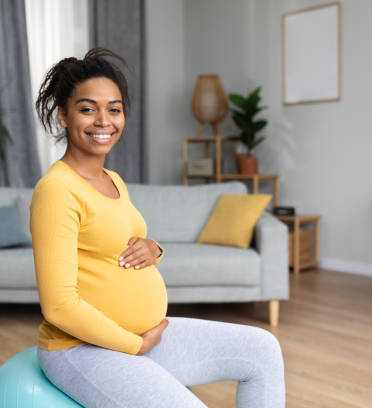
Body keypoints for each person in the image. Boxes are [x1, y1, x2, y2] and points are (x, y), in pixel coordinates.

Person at [30, 47, 285, 408]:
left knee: (263, 350)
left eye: (114, 109)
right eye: (88, 109)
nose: (103, 120)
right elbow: (58, 306)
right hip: (83, 350)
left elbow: (122, 240)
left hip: (143, 336)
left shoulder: (113, 179)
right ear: (63, 117)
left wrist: (154, 249)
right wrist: (135, 345)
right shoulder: (57, 191)